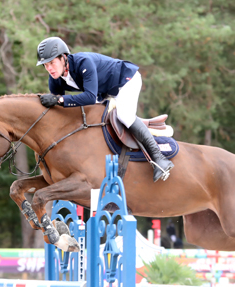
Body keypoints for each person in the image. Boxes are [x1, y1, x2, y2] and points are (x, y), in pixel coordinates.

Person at [36, 37, 174, 182]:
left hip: (125, 80)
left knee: (124, 116)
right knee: (90, 119)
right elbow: (59, 110)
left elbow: (89, 97)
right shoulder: (55, 79)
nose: (49, 68)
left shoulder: (83, 62)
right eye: (45, 65)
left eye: (52, 63)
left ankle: (159, 159)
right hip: (104, 92)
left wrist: (59, 100)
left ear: (64, 58)